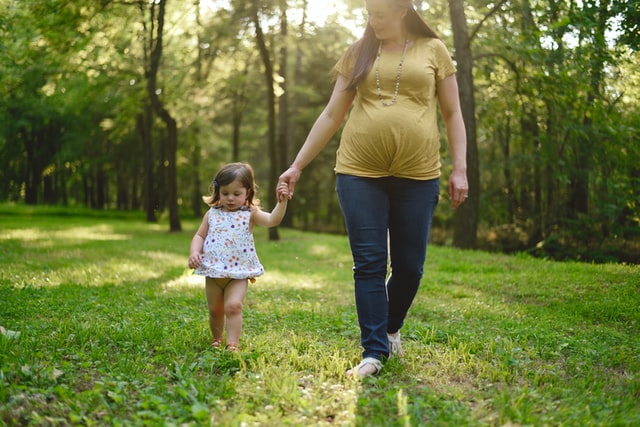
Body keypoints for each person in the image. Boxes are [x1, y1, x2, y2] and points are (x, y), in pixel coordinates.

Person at [277, 0, 469, 377]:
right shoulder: (358, 54)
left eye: (379, 14)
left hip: (418, 174)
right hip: (358, 172)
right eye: (369, 14)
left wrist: (460, 168)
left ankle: (391, 326)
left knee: (410, 267)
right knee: (369, 263)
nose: (373, 21)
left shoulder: (433, 50)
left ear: (402, 10)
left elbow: (452, 113)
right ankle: (373, 352)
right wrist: (297, 165)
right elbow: (333, 113)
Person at [189, 162, 289, 351]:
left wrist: (282, 202)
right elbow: (199, 235)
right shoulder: (212, 214)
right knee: (215, 310)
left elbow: (272, 220)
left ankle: (232, 344)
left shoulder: (250, 214)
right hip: (213, 272)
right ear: (218, 191)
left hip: (239, 273)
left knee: (233, 306)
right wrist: (195, 252)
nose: (230, 198)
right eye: (225, 193)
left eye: (237, 194)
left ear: (248, 193)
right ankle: (217, 338)